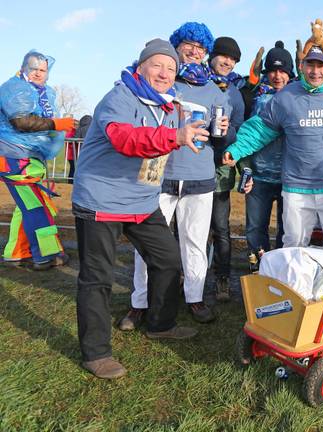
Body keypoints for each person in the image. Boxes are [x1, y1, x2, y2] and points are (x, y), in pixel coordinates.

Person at [72, 38, 203, 378]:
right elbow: (124, 139)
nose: (164, 73)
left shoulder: (167, 106)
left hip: (141, 200)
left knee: (169, 261)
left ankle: (160, 324)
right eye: (157, 65)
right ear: (141, 66)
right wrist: (174, 138)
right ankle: (96, 353)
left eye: (171, 68)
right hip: (100, 201)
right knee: (96, 279)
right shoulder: (120, 97)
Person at [121, 22, 231, 330]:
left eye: (201, 48)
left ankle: (194, 297)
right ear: (177, 46)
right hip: (159, 175)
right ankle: (139, 302)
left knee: (195, 243)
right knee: (147, 245)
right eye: (189, 45)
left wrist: (225, 132)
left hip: (200, 176)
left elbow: (222, 134)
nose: (195, 52)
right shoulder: (163, 80)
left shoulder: (215, 89)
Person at [223, 32, 323, 248]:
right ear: (302, 66)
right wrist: (236, 150)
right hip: (296, 189)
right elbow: (260, 129)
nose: (315, 71)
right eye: (310, 65)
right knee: (294, 246)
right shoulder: (285, 97)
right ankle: (290, 282)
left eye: (320, 65)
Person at [0, 50, 70, 270]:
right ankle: (46, 256)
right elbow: (21, 122)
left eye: (43, 70)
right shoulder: (15, 88)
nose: (39, 73)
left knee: (26, 207)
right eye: (34, 69)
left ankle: (16, 252)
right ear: (24, 69)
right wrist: (56, 125)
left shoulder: (36, 91)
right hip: (15, 159)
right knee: (36, 207)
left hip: (25, 158)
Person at [243, 41, 296, 267]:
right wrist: (246, 169)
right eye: (272, 71)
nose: (277, 76)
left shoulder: (298, 98)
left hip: (289, 178)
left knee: (287, 230)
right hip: (259, 178)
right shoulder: (257, 98)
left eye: (282, 71)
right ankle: (258, 268)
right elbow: (244, 134)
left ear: (290, 73)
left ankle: (282, 271)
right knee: (256, 229)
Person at [208, 36, 246, 301]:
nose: (228, 62)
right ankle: (183, 275)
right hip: (192, 165)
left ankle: (222, 278)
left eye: (233, 60)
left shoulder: (234, 91)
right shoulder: (195, 81)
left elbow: (240, 126)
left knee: (221, 227)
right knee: (186, 227)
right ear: (213, 55)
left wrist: (226, 133)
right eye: (225, 57)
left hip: (221, 168)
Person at [66, 114, 92, 183]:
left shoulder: (80, 129)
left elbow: (75, 139)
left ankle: (74, 181)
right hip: (92, 152)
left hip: (81, 152)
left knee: (77, 168)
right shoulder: (93, 129)